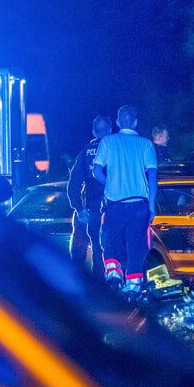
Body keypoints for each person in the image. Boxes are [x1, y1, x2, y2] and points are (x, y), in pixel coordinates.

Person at [92, 105, 158, 299]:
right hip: (139, 205)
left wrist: (111, 183)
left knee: (111, 240)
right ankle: (134, 285)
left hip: (115, 204)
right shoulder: (146, 144)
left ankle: (113, 273)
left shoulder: (108, 141)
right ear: (136, 122)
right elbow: (153, 177)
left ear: (118, 122)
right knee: (136, 244)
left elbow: (96, 171)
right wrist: (152, 205)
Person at [66, 115, 112, 278]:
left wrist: (79, 209)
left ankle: (97, 288)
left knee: (97, 250)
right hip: (116, 208)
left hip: (94, 210)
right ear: (111, 129)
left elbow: (73, 185)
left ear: (94, 131)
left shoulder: (85, 153)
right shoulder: (117, 149)